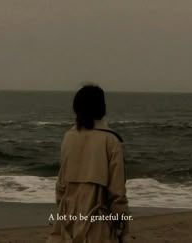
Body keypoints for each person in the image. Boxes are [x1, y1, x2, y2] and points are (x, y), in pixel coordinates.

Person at [46, 85, 131, 243]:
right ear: (102, 108)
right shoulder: (110, 140)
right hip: (97, 225)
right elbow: (117, 193)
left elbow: (61, 186)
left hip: (67, 220)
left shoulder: (68, 137)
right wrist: (122, 229)